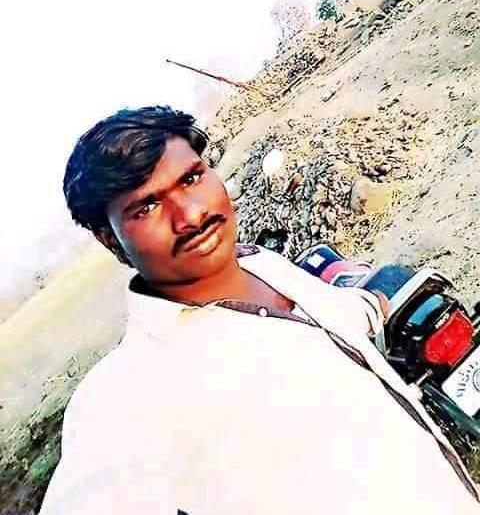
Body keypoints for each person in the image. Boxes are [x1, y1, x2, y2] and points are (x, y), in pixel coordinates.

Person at [39, 105, 479, 514]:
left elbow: (327, 321)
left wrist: (370, 305)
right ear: (109, 238)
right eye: (147, 207)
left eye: (191, 179)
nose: (189, 215)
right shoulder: (122, 398)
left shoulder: (260, 263)